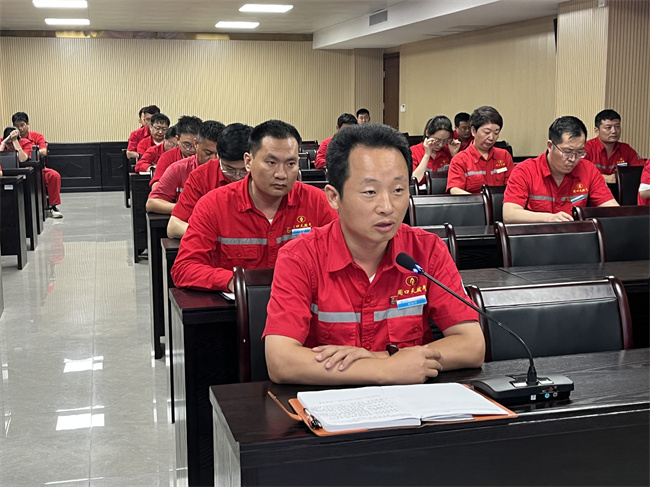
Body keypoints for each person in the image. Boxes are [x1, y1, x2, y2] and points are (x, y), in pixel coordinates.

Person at [263, 123, 485, 385]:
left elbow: (472, 346)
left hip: (413, 402)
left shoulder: (427, 250)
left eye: (398, 190)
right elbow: (281, 361)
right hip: (329, 401)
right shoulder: (300, 257)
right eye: (370, 192)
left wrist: (381, 358)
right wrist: (386, 369)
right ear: (333, 197)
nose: (387, 207)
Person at [170, 119, 338, 292]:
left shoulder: (318, 203)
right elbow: (184, 268)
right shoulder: (213, 205)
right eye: (271, 163)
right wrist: (235, 282)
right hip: (238, 305)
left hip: (303, 302)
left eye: (290, 164)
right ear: (248, 161)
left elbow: (341, 260)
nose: (281, 174)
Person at [503, 116, 618, 223]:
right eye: (567, 152)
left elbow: (613, 210)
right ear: (550, 146)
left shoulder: (588, 170)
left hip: (575, 234)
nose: (573, 159)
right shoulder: (525, 170)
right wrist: (550, 218)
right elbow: (509, 214)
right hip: (536, 235)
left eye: (579, 152)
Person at [166, 122, 250, 237]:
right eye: (229, 169)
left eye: (244, 170)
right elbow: (174, 227)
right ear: (218, 157)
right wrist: (213, 236)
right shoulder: (201, 176)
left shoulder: (266, 177)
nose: (237, 176)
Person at [146, 121, 225, 215]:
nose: (214, 159)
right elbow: (152, 203)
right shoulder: (178, 169)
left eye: (219, 154)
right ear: (196, 144)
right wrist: (188, 208)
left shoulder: (231, 171)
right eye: (208, 153)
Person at [446, 106, 514, 194]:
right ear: (473, 131)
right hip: (472, 202)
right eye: (487, 132)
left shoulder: (504, 156)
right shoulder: (460, 160)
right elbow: (455, 189)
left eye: (496, 133)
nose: (491, 137)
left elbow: (513, 186)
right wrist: (481, 200)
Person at [10, 113, 64, 218]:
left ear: (28, 124)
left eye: (22, 125)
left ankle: (51, 207)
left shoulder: (36, 136)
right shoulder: (11, 137)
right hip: (18, 169)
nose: (20, 128)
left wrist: (28, 152)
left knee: (54, 176)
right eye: (16, 126)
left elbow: (43, 151)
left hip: (37, 169)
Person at [584, 109, 644, 184]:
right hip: (592, 189)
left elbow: (642, 170)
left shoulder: (625, 149)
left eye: (617, 126)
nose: (614, 131)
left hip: (619, 190)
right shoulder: (587, 148)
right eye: (608, 127)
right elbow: (577, 173)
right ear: (597, 131)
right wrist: (605, 178)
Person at [149, 115, 202, 188]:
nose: (193, 150)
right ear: (178, 139)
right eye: (187, 145)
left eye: (197, 144)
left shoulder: (207, 156)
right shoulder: (167, 157)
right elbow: (156, 186)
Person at [411, 115, 460, 184]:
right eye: (437, 140)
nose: (441, 145)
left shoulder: (449, 150)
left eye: (445, 140)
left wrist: (454, 155)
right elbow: (414, 180)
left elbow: (459, 179)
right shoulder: (414, 151)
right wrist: (427, 155)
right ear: (427, 133)